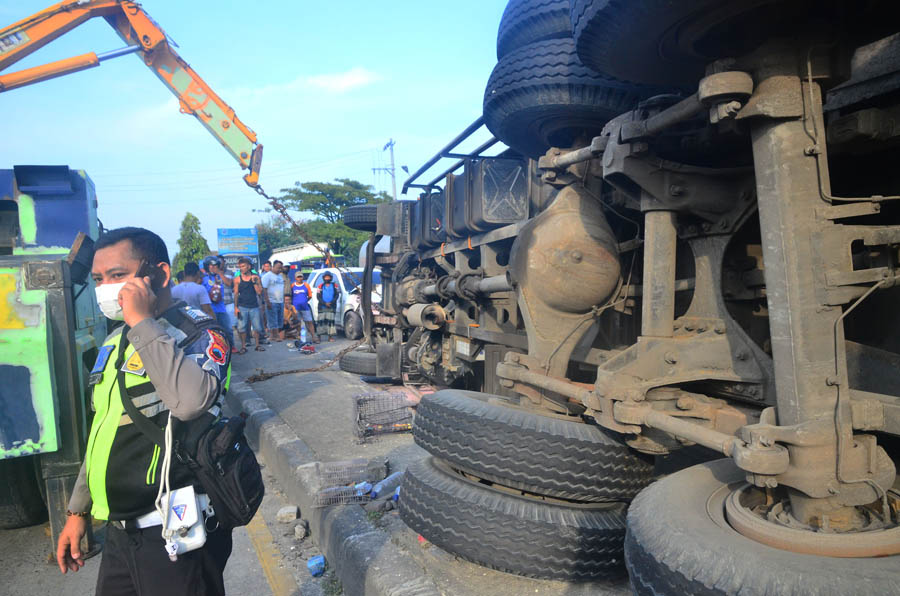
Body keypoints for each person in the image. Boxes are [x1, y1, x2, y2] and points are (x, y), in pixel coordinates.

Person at [56, 227, 233, 596]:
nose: (107, 288)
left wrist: (141, 322)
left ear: (160, 274)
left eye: (119, 275)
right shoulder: (114, 341)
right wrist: (77, 512)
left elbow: (190, 403)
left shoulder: (199, 335)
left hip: (175, 531)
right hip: (120, 533)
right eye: (99, 279)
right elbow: (104, 429)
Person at [202, 257, 236, 353]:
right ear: (207, 266)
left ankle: (231, 346)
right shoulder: (203, 278)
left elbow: (229, 283)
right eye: (212, 266)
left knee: (228, 329)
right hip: (209, 309)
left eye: (216, 266)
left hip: (221, 308)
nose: (214, 268)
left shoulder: (220, 276)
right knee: (213, 332)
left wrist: (219, 273)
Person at [232, 257, 264, 353]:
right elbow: (236, 294)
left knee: (257, 327)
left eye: (243, 266)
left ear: (249, 266)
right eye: (240, 266)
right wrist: (236, 307)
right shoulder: (237, 279)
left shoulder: (256, 277)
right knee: (242, 327)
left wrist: (254, 282)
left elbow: (259, 292)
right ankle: (243, 346)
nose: (241, 268)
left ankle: (257, 345)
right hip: (242, 306)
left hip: (254, 305)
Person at [261, 260, 286, 341]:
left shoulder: (280, 276)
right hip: (272, 300)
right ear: (273, 267)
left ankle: (272, 336)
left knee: (279, 319)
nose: (279, 270)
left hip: (280, 300)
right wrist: (267, 301)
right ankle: (276, 336)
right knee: (272, 319)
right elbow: (264, 289)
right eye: (278, 268)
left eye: (281, 268)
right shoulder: (267, 276)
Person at [291, 271, 318, 343]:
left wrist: (305, 301)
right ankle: (300, 337)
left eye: (301, 277)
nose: (300, 278)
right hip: (296, 308)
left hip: (305, 307)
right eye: (298, 277)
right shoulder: (292, 285)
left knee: (309, 322)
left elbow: (310, 296)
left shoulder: (306, 285)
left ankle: (313, 337)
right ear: (295, 278)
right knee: (298, 323)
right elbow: (290, 296)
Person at [316, 271, 341, 342]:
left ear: (331, 278)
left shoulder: (335, 285)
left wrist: (331, 302)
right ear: (323, 278)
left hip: (331, 307)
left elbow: (337, 295)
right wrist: (324, 303)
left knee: (331, 322)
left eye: (328, 277)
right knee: (320, 322)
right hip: (322, 307)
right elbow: (318, 297)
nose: (327, 278)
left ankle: (330, 337)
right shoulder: (320, 286)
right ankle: (319, 337)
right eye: (326, 277)